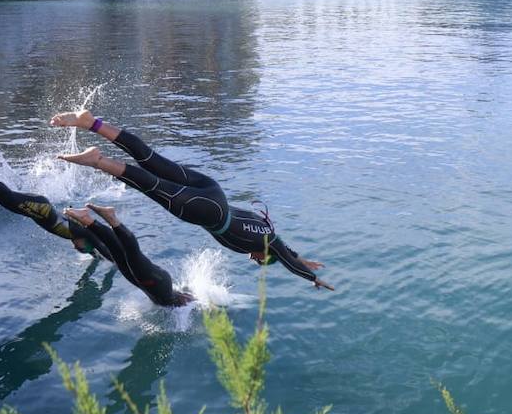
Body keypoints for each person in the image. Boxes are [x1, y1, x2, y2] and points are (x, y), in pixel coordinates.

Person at [51, 111, 334, 290]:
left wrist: (302, 259)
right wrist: (311, 278)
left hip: (213, 191)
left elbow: (286, 251)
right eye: (259, 261)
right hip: (206, 212)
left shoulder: (267, 231)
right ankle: (98, 160)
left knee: (152, 160)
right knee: (151, 185)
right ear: (264, 256)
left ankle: (92, 123)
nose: (254, 258)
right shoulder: (265, 242)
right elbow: (285, 258)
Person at [0, 173, 116, 259]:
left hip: (39, 210)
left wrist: (94, 256)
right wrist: (119, 264)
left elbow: (96, 252)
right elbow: (104, 248)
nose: (76, 248)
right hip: (41, 209)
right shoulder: (84, 233)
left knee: (7, 202)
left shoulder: (78, 236)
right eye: (81, 248)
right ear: (85, 242)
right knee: (10, 199)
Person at [68, 203, 193, 307]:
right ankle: (112, 219)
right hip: (156, 284)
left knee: (117, 253)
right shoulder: (185, 306)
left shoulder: (175, 300)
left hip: (150, 284)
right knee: (133, 256)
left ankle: (87, 220)